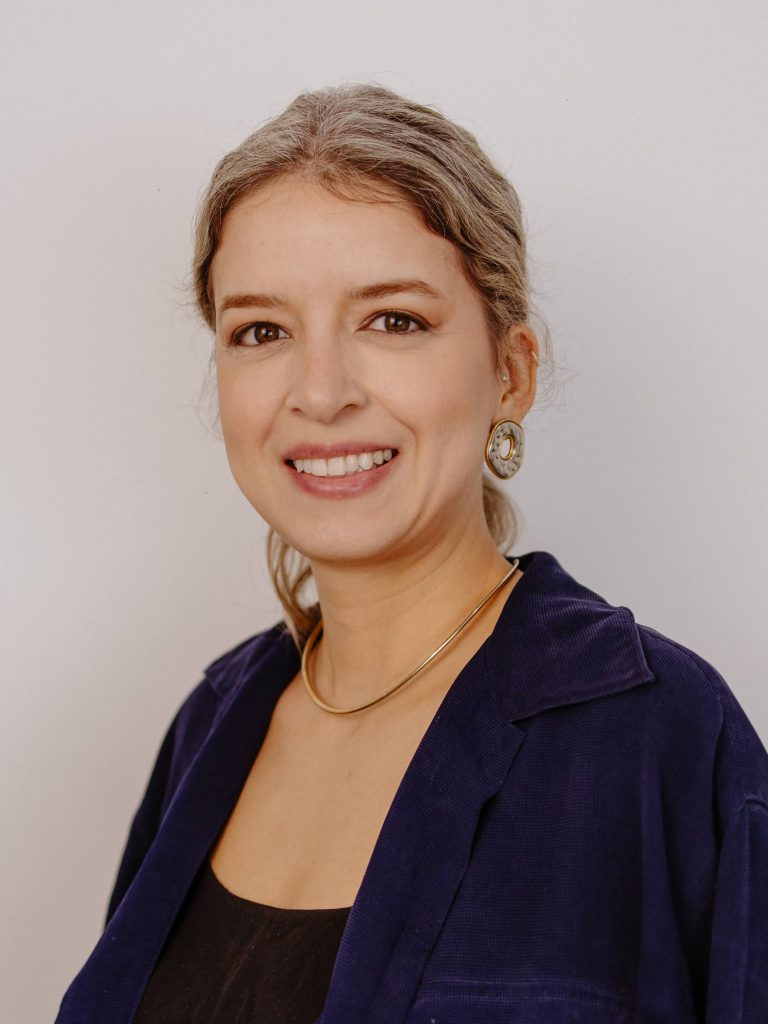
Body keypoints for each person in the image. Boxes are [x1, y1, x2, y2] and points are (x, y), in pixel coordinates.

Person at [55, 83, 768, 1024]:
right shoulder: (209, 728)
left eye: (393, 320)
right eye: (261, 331)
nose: (321, 393)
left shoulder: (659, 735)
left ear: (511, 372)